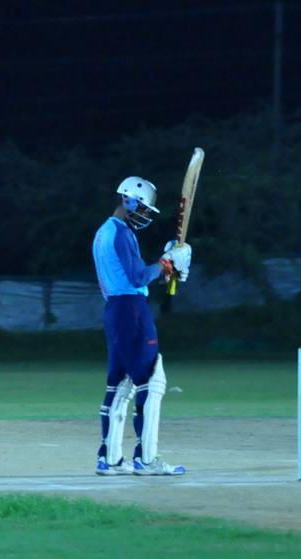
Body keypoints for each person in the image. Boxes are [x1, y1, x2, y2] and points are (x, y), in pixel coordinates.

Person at [92, 176, 191, 476]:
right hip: (131, 310)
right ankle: (146, 459)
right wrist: (166, 264)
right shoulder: (120, 233)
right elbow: (136, 278)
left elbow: (133, 276)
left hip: (116, 309)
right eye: (144, 209)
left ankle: (109, 459)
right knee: (152, 380)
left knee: (120, 383)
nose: (146, 215)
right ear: (128, 200)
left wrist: (166, 272)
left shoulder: (104, 231)